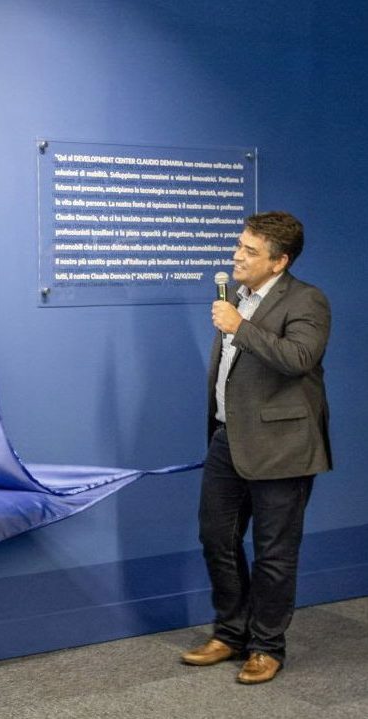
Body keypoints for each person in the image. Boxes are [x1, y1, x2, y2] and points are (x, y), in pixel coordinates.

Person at [181, 211, 331, 684]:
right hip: (228, 439)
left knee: (274, 553)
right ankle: (231, 633)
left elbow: (299, 358)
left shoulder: (306, 300)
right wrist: (236, 320)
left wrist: (239, 327)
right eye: (239, 245)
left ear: (279, 261)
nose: (237, 256)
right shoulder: (238, 297)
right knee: (216, 538)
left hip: (282, 446)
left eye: (249, 251)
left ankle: (266, 646)